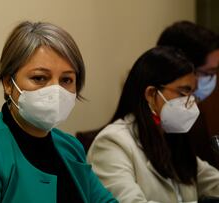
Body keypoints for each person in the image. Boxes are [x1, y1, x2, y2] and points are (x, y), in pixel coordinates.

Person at [0, 21, 117, 203]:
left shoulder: (71, 146)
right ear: (8, 84)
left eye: (66, 79)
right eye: (39, 78)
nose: (55, 91)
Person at [87, 46, 219, 203]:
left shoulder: (171, 138)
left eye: (192, 94)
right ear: (151, 94)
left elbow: (213, 182)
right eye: (183, 92)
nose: (190, 102)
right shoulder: (112, 142)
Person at [157, 21, 219, 169]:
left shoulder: (186, 124)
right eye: (208, 73)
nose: (212, 79)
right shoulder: (117, 140)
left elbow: (202, 175)